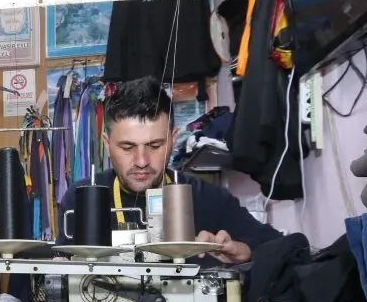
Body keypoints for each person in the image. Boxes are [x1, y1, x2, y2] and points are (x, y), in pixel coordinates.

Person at [57, 76, 281, 261]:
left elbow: (276, 245)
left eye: (155, 146)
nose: (142, 161)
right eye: (127, 147)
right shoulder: (80, 198)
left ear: (173, 138)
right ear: (107, 144)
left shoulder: (207, 197)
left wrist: (243, 251)